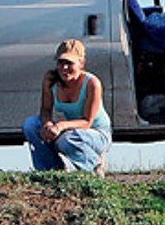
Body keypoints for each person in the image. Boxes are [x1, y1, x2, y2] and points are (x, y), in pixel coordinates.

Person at [22, 39, 112, 175]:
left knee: (66, 140)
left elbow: (87, 121)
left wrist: (60, 126)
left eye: (69, 63)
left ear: (81, 63)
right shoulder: (50, 80)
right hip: (71, 130)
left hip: (96, 133)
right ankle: (51, 171)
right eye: (60, 63)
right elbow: (45, 110)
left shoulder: (92, 83)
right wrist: (47, 125)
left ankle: (93, 167)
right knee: (30, 124)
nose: (64, 68)